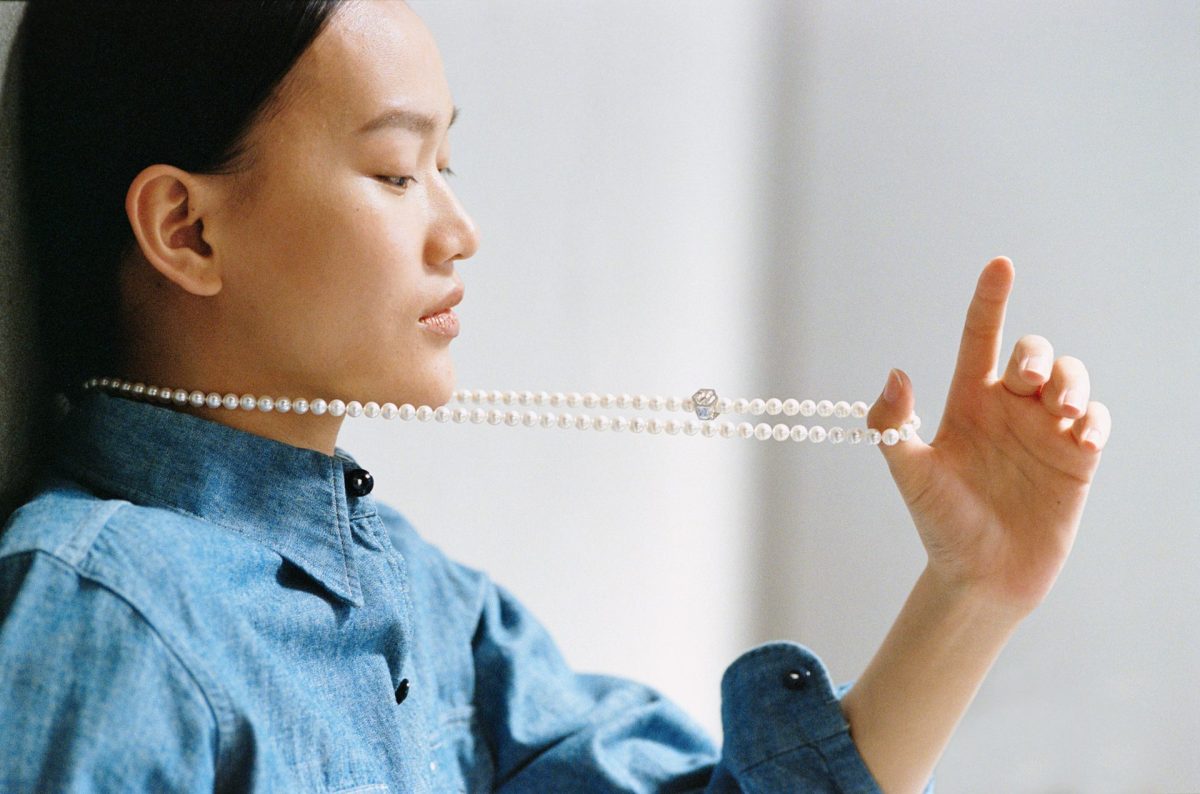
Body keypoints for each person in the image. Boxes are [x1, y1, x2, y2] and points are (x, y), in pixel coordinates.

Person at [0, 1, 1112, 792]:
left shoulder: (423, 603)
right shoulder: (104, 618)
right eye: (397, 171)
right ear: (187, 230)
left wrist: (973, 591)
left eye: (448, 166)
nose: (460, 230)